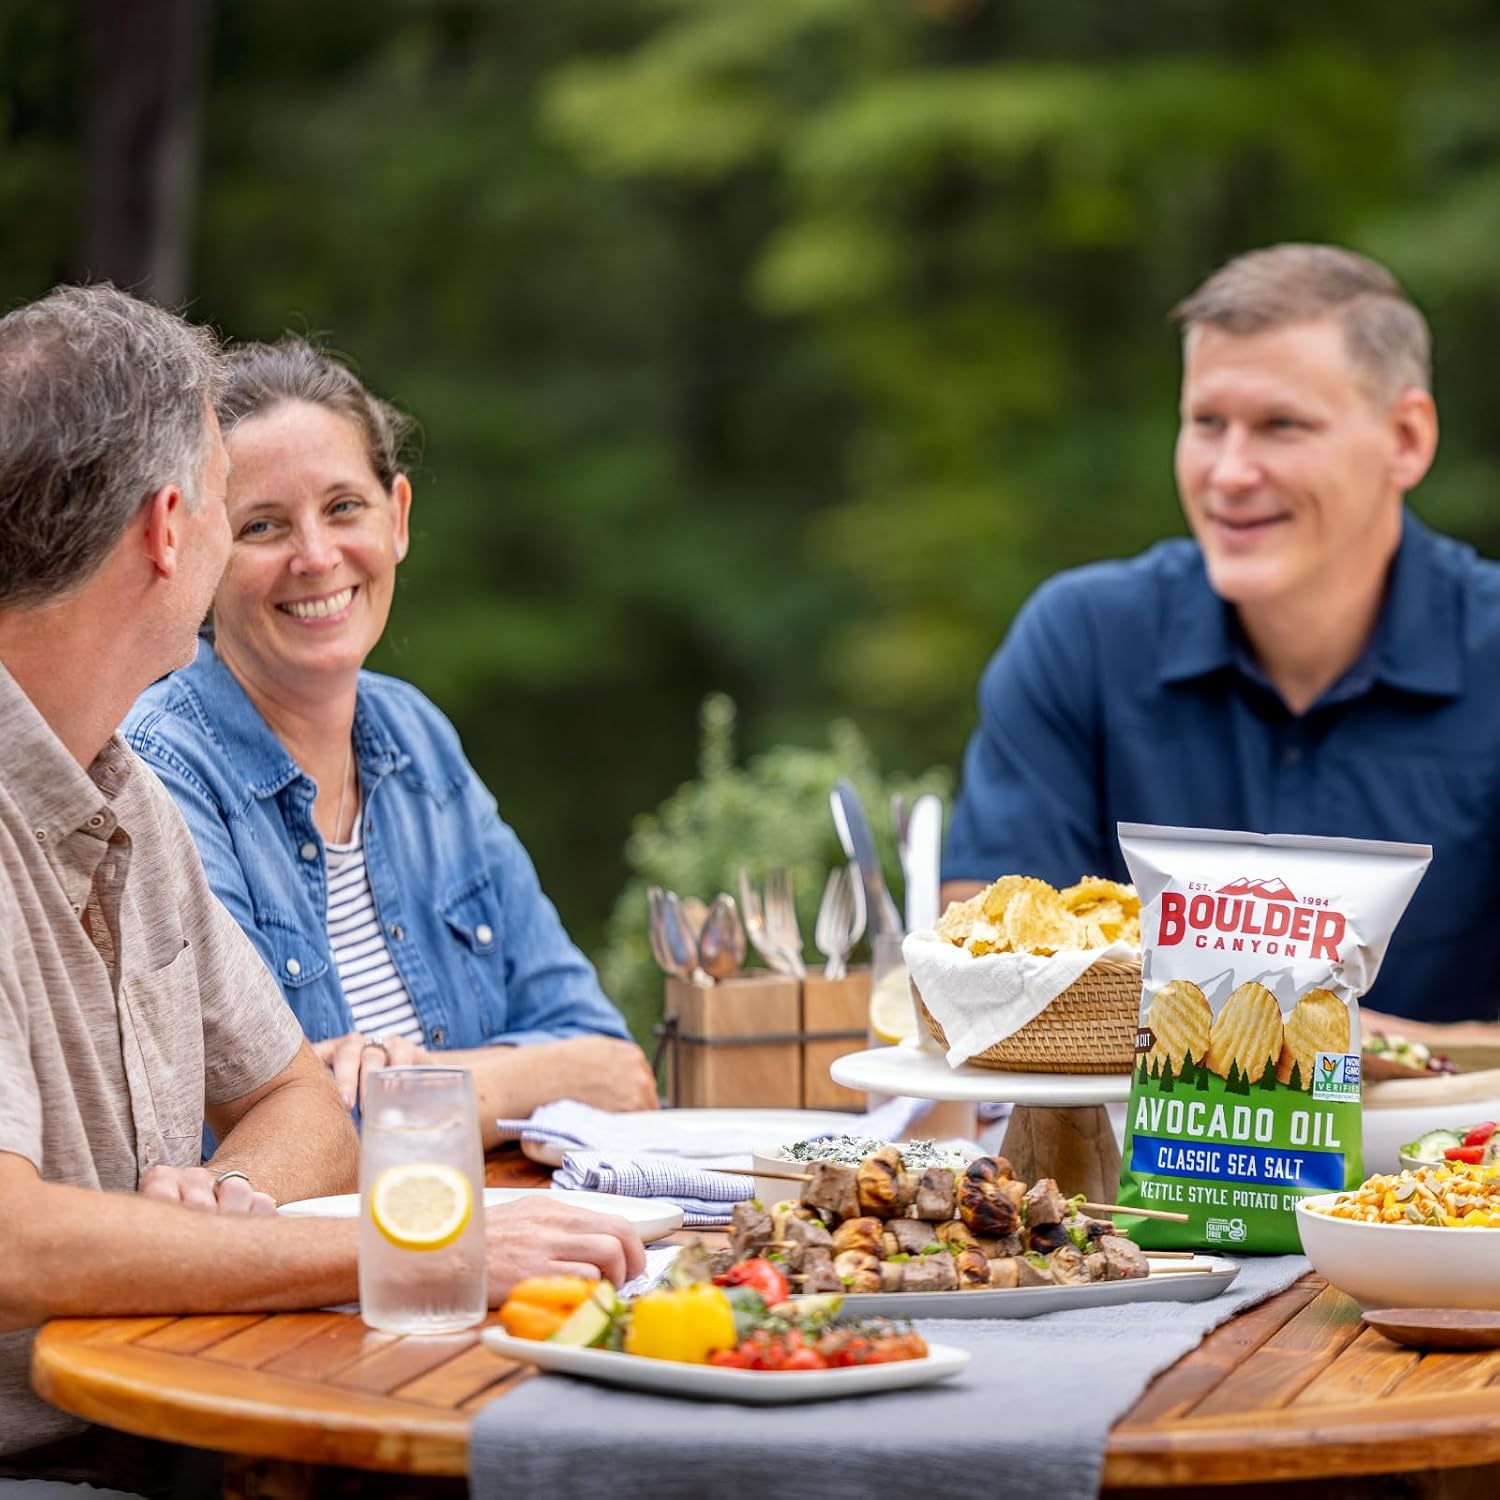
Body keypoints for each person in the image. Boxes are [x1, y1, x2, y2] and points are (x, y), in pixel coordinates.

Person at [0, 286, 644, 1493]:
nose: (306, 554)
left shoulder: (117, 788)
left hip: (159, 1420)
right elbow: (10, 1243)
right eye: (241, 514)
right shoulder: (149, 767)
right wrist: (412, 1246)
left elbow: (299, 1091)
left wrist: (236, 1205)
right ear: (171, 528)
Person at [942, 242, 1500, 1035]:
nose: (1230, 472)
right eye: (1207, 423)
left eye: (1281, 425)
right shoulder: (1083, 638)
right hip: (1124, 1158)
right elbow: (984, 967)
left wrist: (1296, 1039)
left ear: (1406, 439)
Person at [124, 339, 658, 1141]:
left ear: (398, 517)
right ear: (200, 555)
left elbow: (612, 1068)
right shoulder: (163, 769)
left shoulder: (419, 741)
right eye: (262, 525)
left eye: (344, 508)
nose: (315, 556)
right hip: (307, 1260)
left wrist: (406, 1089)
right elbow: (274, 1128)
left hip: (490, 1233)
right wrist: (516, 1086)